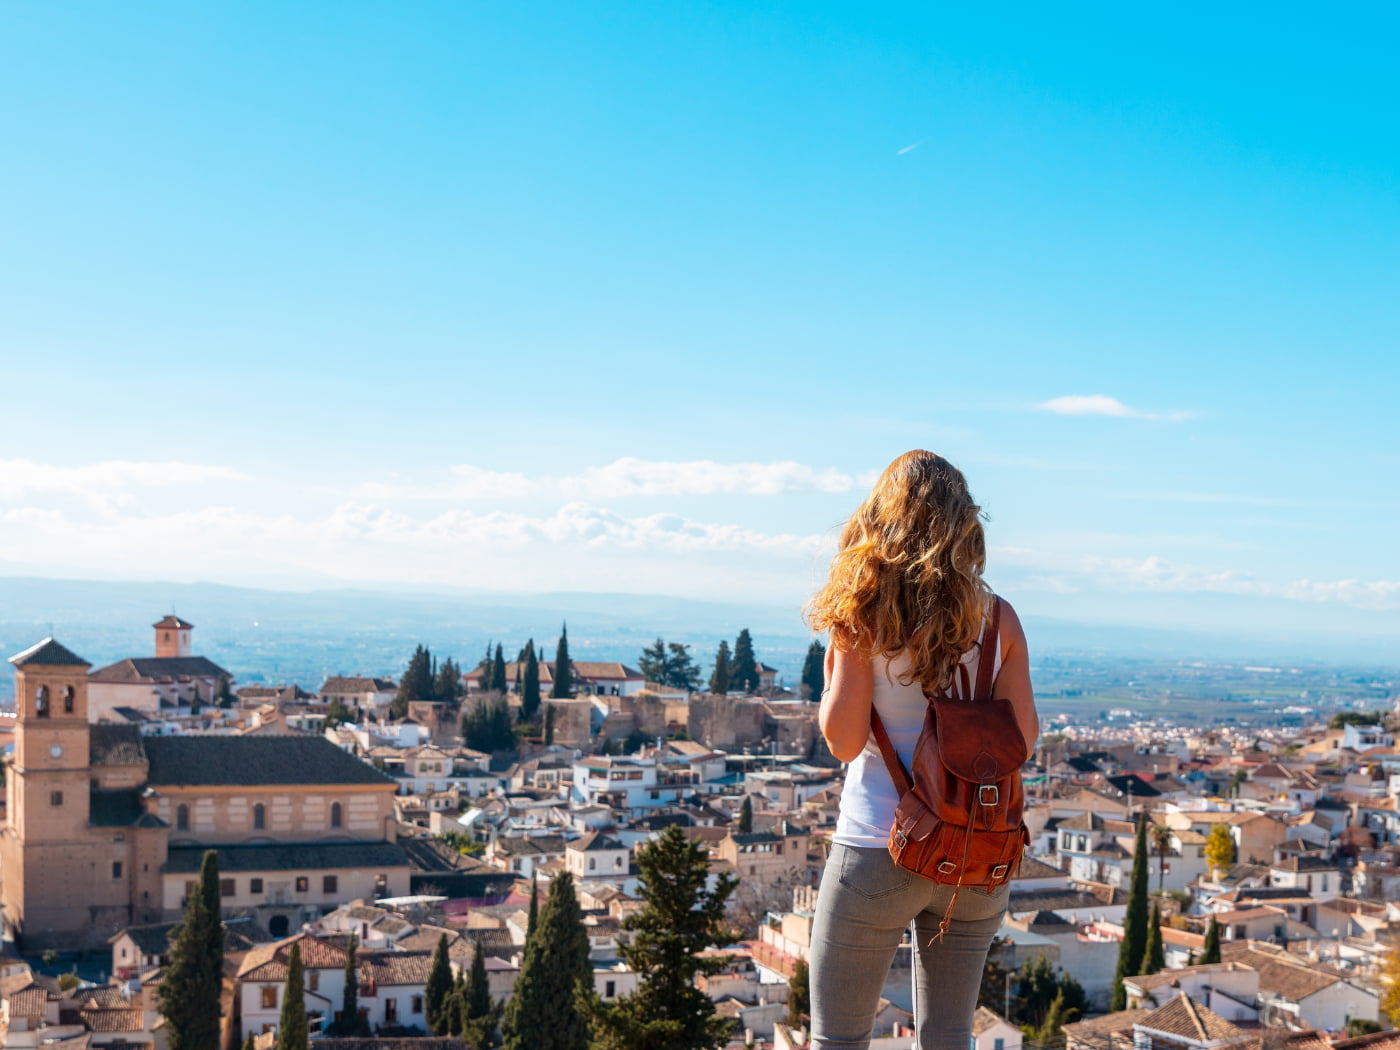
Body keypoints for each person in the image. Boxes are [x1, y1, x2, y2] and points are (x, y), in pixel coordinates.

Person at [804, 450, 1038, 1050]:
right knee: (948, 1036)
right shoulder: (998, 618)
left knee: (840, 1040)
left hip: (880, 844)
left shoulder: (860, 612)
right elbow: (1024, 739)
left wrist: (837, 674)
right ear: (964, 522)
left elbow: (843, 740)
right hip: (976, 848)